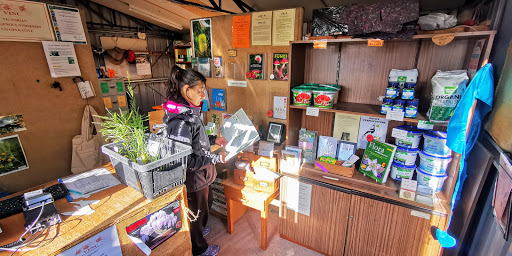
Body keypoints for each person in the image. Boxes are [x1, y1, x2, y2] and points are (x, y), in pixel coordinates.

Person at [163, 66, 227, 256]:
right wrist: (215, 157)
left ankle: (199, 231)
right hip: (194, 179)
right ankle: (199, 248)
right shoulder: (180, 121)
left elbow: (197, 139)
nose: (204, 96)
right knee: (196, 214)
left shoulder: (189, 111)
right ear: (186, 90)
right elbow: (186, 161)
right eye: (200, 91)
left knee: (206, 204)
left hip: (204, 175)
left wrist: (215, 139)